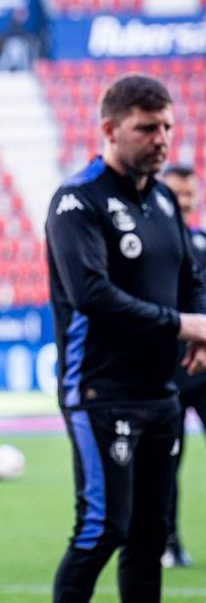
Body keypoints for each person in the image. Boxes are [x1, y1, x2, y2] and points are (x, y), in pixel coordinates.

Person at [46, 75, 206, 603]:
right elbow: (91, 294)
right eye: (146, 128)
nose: (161, 138)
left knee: (147, 536)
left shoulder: (163, 201)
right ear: (111, 129)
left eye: (166, 127)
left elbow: (191, 279)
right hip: (99, 390)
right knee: (102, 530)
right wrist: (183, 325)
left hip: (161, 392)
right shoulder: (77, 201)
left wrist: (199, 324)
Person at [159, 164, 206, 568]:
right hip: (163, 377)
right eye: (176, 194)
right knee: (166, 466)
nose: (184, 202)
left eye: (190, 194)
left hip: (205, 373)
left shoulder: (202, 242)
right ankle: (169, 543)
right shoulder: (150, 245)